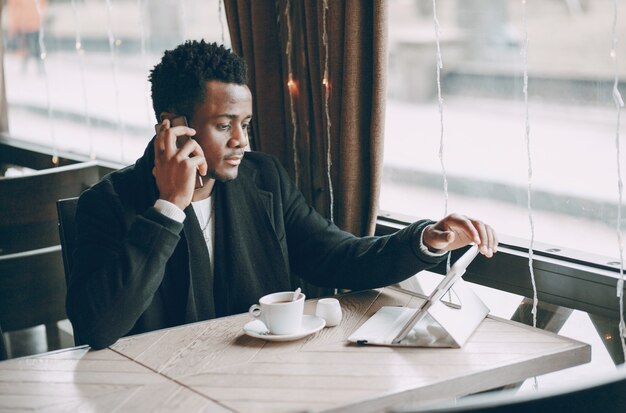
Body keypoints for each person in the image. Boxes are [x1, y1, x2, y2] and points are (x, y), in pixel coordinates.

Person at [66, 40, 498, 349]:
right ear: (172, 125)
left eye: (246, 124)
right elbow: (97, 329)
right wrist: (168, 209)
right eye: (224, 125)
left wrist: (426, 240)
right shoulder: (108, 203)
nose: (242, 142)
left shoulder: (264, 178)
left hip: (266, 385)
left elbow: (338, 255)